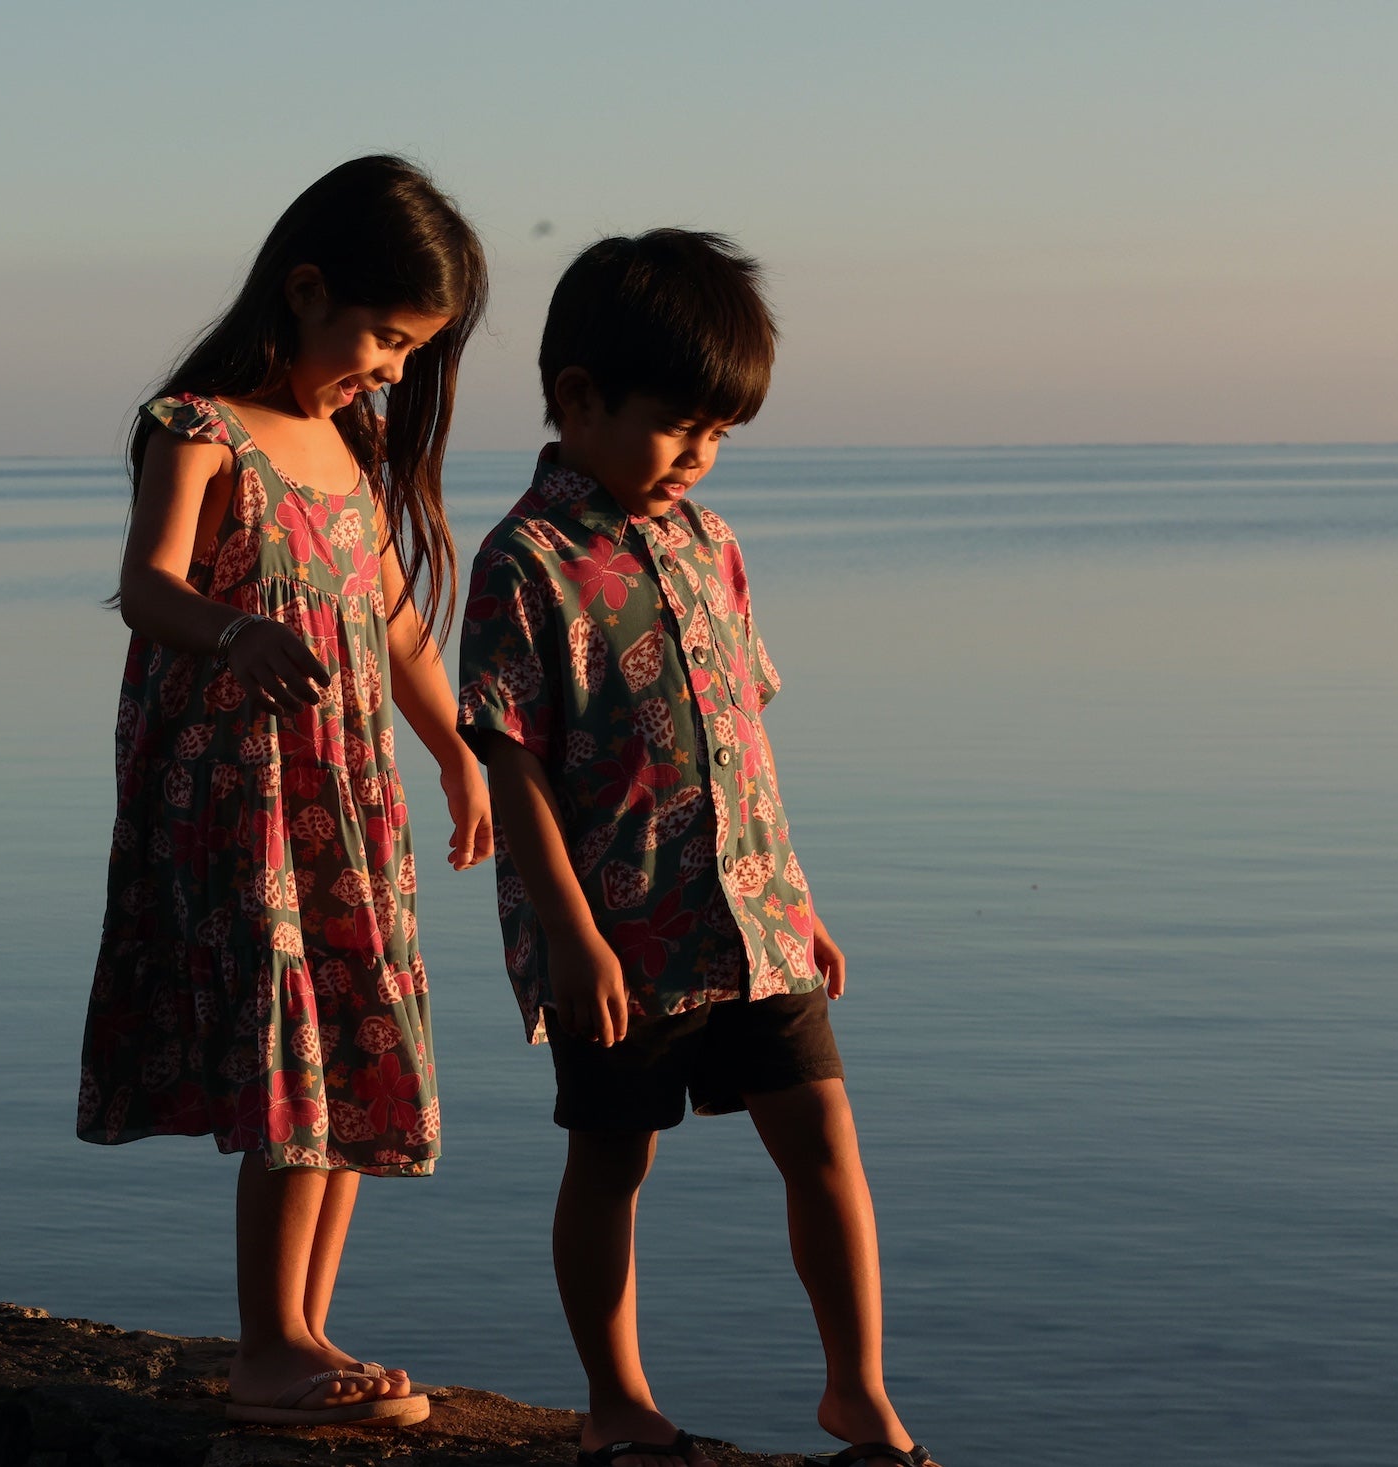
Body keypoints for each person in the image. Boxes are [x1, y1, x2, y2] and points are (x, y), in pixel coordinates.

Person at [455, 231, 936, 1467]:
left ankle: (858, 1395)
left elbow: (740, 743)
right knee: (611, 1161)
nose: (698, 456)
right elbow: (511, 763)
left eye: (717, 434)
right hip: (619, 940)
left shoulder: (709, 542)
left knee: (823, 1142)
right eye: (677, 427)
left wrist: (799, 900)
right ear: (578, 400)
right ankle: (617, 1401)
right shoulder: (525, 562)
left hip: (753, 916)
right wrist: (570, 938)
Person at [77, 155, 493, 1429]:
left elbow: (395, 622)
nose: (394, 372)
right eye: (384, 337)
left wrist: (455, 749)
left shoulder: (349, 450)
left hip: (348, 805)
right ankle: (268, 1347)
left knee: (349, 1050)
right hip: (245, 801)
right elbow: (146, 586)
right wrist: (233, 632)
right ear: (305, 290)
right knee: (287, 1056)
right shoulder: (199, 430)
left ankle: (307, 1328)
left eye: (415, 350)